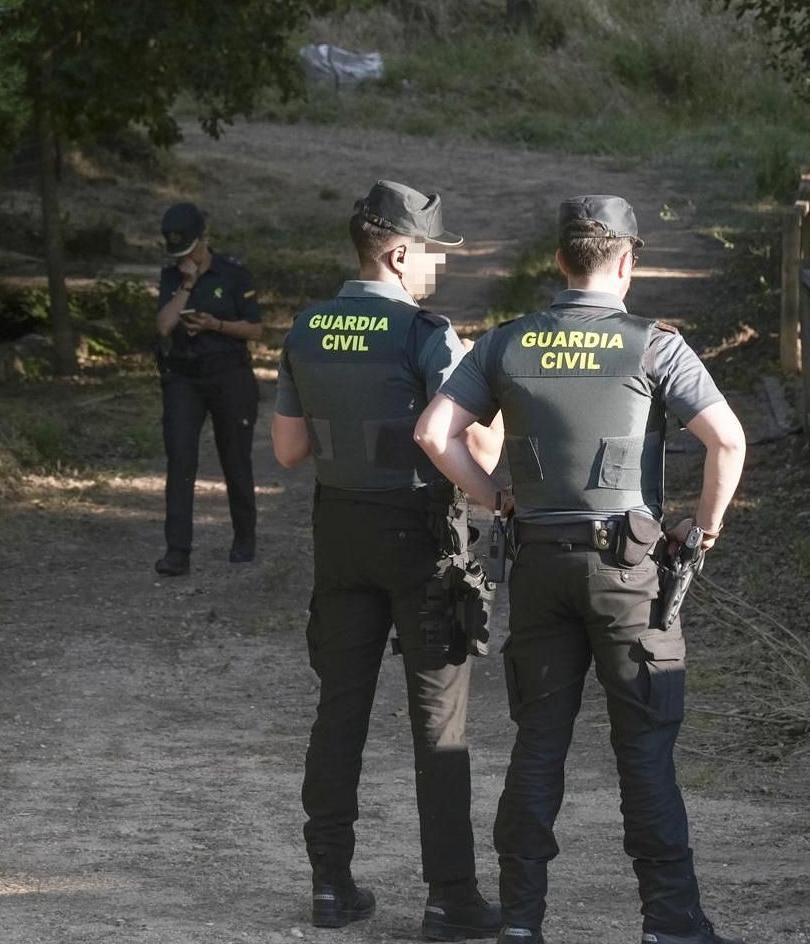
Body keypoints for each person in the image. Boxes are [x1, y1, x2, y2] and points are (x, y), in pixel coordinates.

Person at [415, 195, 748, 944]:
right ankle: (671, 923)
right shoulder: (655, 347)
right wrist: (704, 530)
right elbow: (728, 442)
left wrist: (493, 495)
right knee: (645, 750)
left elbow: (435, 432)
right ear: (628, 262)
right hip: (630, 570)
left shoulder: (505, 344)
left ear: (559, 262)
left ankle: (522, 924)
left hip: (536, 564)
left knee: (539, 744)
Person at [271, 181, 504, 940]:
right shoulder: (426, 334)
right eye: (432, 251)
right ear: (399, 252)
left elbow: (289, 449)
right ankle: (449, 898)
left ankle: (330, 887)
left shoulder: (305, 329)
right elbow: (467, 445)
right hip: (419, 536)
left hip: (338, 532)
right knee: (440, 721)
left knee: (339, 711)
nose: (435, 266)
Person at [154, 202, 263, 576]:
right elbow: (165, 325)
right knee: (180, 460)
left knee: (235, 458)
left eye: (191, 250)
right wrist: (187, 285)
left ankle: (244, 537)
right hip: (184, 378)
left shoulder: (233, 274)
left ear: (206, 239)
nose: (187, 257)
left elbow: (255, 330)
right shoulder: (172, 277)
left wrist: (216, 325)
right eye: (179, 253)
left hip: (229, 375)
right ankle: (177, 551)